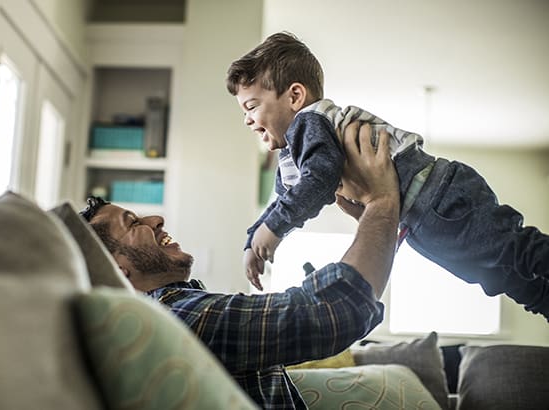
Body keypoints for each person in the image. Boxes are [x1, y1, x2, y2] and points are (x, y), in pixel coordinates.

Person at [227, 31, 549, 319]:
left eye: (252, 106)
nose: (247, 119)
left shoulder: (310, 123)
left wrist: (273, 228)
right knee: (497, 276)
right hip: (421, 219)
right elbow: (285, 198)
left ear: (295, 97)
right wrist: (253, 238)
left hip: (439, 197)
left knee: (516, 250)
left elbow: (319, 181)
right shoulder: (292, 151)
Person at [81, 123, 401, 409]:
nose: (156, 219)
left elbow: (339, 309)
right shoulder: (178, 315)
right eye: (133, 223)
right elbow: (333, 312)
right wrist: (383, 202)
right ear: (117, 270)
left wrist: (377, 221)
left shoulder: (178, 312)